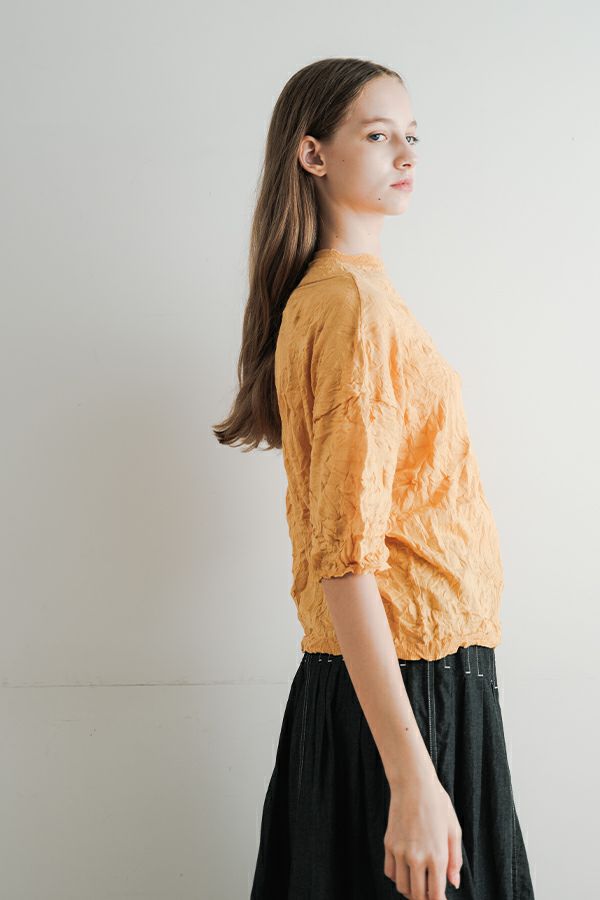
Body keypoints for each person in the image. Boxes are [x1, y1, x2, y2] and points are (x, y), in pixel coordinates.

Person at [213, 57, 535, 900]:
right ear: (313, 154)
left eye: (413, 136)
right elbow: (344, 557)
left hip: (401, 687)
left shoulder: (347, 297)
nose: (407, 153)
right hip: (408, 695)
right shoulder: (352, 308)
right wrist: (413, 777)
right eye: (379, 133)